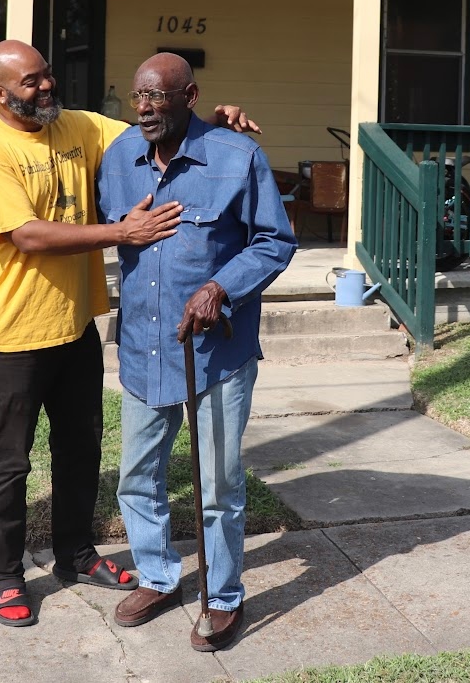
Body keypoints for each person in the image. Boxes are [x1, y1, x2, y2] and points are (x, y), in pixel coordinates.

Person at [0, 40, 256, 628]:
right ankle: (5, 575)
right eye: (31, 83)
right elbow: (28, 235)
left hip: (72, 326)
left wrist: (213, 119)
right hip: (9, 332)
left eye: (47, 76)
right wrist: (123, 233)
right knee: (11, 462)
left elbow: (159, 123)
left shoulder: (79, 126)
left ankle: (73, 554)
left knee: (80, 450)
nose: (46, 88)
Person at [96, 53, 296, 652]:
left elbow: (274, 241)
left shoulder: (239, 157)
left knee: (218, 483)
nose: (148, 107)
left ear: (190, 95)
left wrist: (221, 287)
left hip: (215, 354)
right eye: (140, 97)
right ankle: (158, 576)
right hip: (142, 349)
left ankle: (223, 596)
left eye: (160, 95)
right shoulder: (118, 158)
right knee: (137, 477)